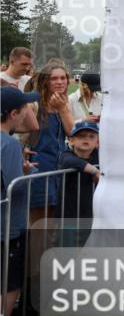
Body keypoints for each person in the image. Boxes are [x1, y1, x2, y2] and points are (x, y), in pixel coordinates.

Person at [1, 86, 40, 316]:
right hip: (8, 228)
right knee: (9, 286)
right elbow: (13, 187)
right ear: (14, 113)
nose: (27, 111)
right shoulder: (9, 145)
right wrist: (30, 172)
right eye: (25, 107)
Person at [24, 60, 75, 223]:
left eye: (63, 78)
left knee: (54, 219)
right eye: (54, 79)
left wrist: (63, 110)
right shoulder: (33, 105)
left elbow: (72, 134)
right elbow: (7, 127)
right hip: (39, 168)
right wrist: (19, 148)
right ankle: (35, 250)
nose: (60, 82)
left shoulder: (63, 104)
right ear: (45, 81)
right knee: (39, 220)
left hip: (59, 168)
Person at [57, 122, 100, 245]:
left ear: (97, 142)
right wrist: (94, 171)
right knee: (67, 251)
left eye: (91, 136)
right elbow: (70, 161)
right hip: (68, 217)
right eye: (81, 136)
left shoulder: (99, 156)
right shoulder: (66, 154)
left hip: (91, 216)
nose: (86, 139)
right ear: (71, 141)